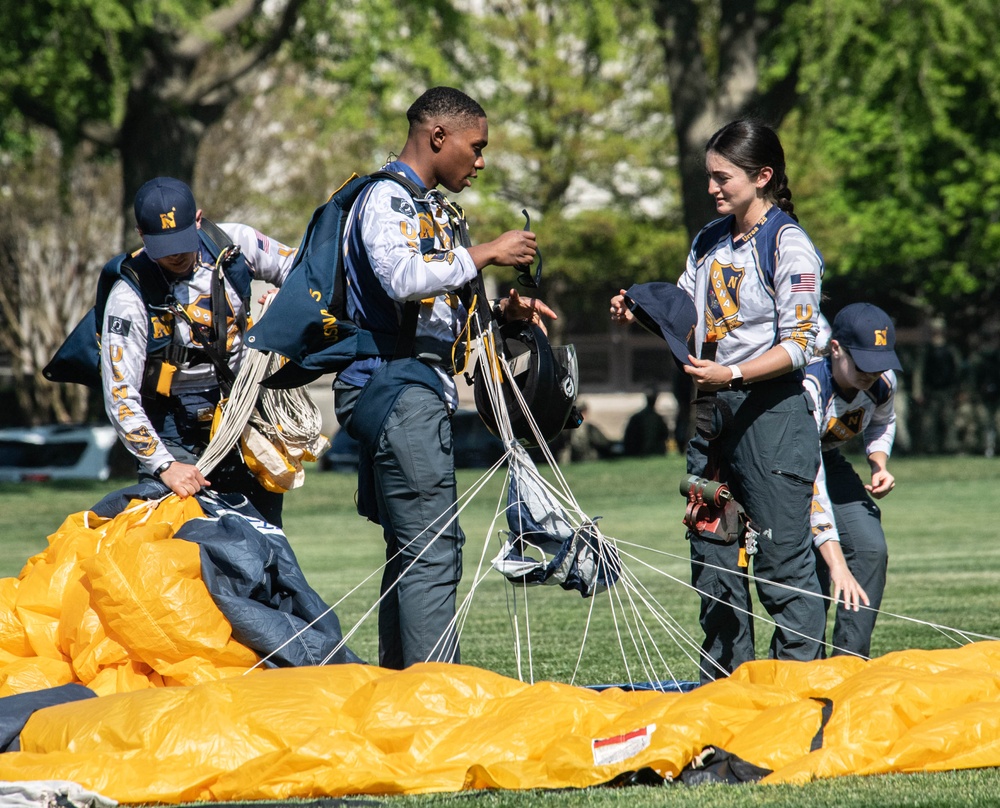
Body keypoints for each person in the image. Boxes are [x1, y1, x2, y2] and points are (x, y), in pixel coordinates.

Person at [332, 87, 555, 670]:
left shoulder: (427, 206)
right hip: (395, 389)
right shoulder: (386, 198)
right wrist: (488, 251)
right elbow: (404, 277)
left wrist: (500, 314)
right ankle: (436, 702)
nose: (481, 161)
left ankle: (402, 694)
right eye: (476, 147)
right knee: (433, 552)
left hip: (410, 388)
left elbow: (430, 307)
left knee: (412, 552)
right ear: (438, 138)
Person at [611, 119, 827, 682]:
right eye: (708, 176)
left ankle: (795, 693)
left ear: (762, 176)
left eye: (722, 176)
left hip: (772, 414)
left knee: (781, 559)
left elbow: (802, 344)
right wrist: (641, 308)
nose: (712, 188)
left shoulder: (789, 244)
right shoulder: (708, 239)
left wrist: (732, 371)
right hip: (712, 417)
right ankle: (724, 688)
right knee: (712, 553)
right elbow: (687, 312)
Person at [101, 177, 296, 526]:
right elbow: (120, 395)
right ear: (141, 235)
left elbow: (305, 272)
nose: (175, 254)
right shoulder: (128, 297)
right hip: (172, 431)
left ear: (198, 219)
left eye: (181, 240)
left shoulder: (235, 245)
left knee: (264, 539)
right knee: (183, 551)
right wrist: (165, 466)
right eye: (164, 245)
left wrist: (287, 300)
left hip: (243, 415)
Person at [805, 302, 901, 658]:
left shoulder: (881, 383)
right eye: (863, 364)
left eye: (879, 364)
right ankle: (802, 668)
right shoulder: (811, 386)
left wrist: (879, 464)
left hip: (827, 459)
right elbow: (811, 483)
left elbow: (882, 421)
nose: (871, 374)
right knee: (811, 564)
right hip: (786, 467)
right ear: (835, 350)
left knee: (869, 548)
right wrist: (837, 565)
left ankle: (849, 664)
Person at [622, 389, 670, 456]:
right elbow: (665, 434)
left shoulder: (637, 417)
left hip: (642, 451)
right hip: (647, 451)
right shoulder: (657, 418)